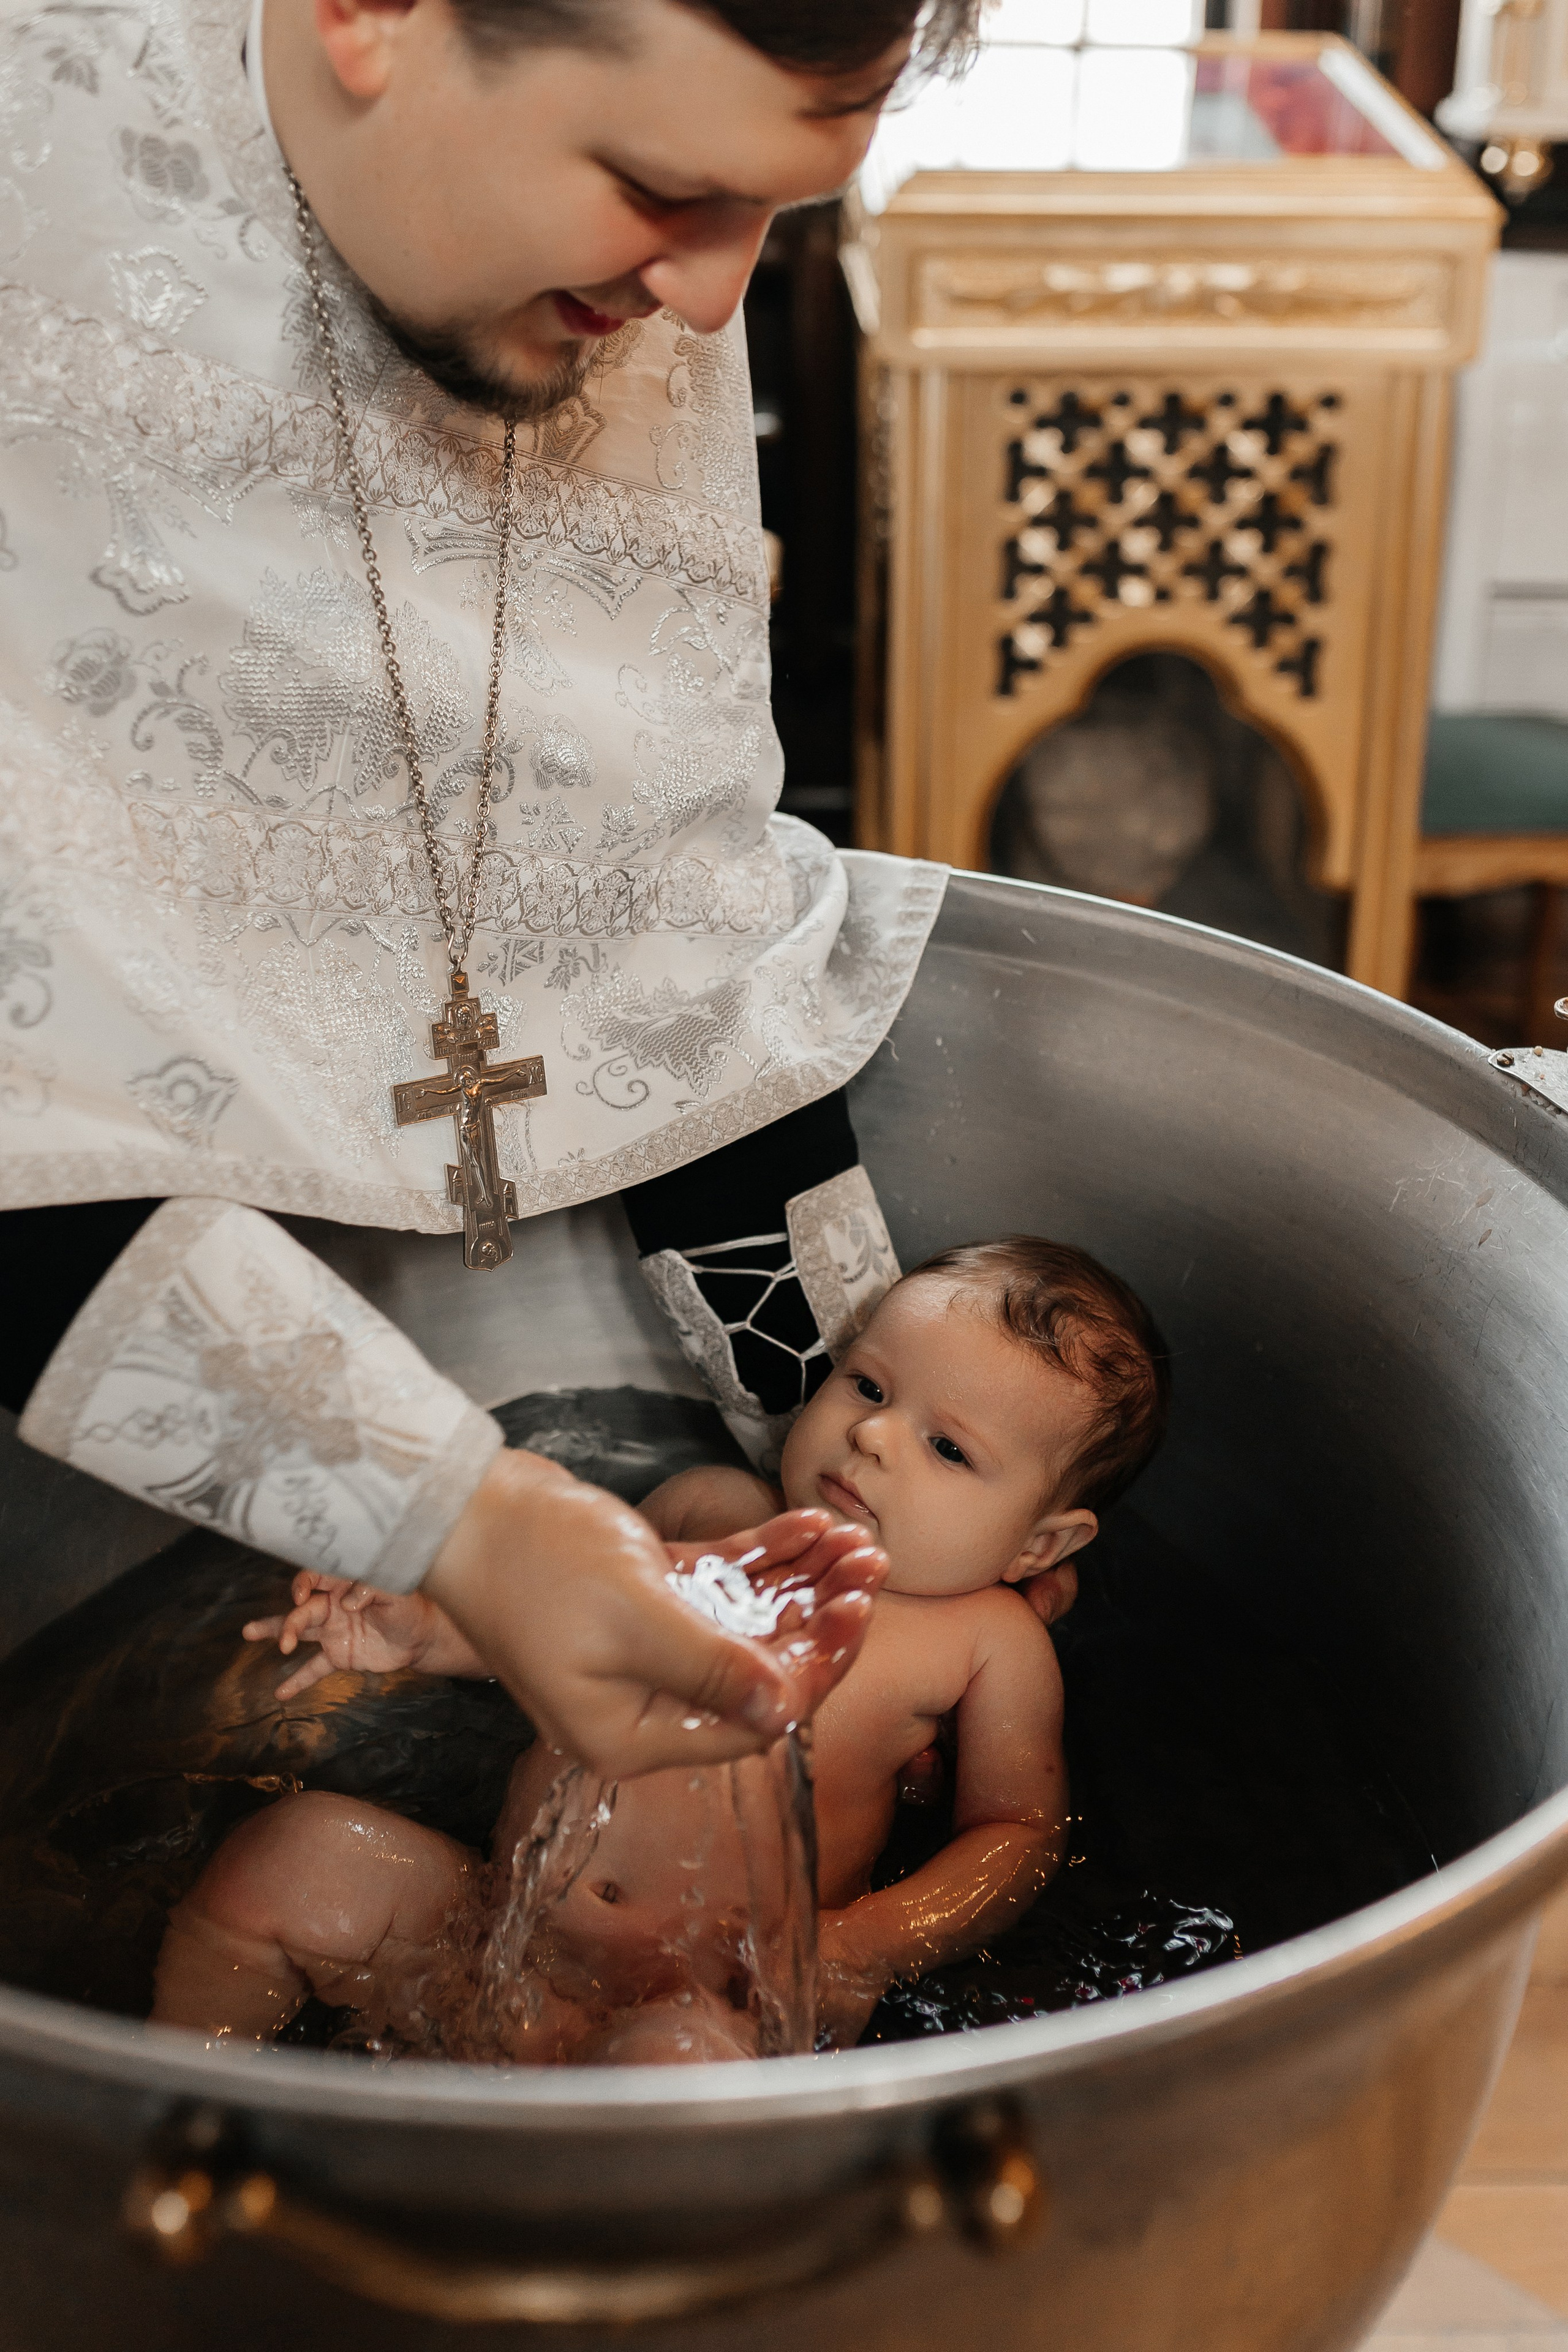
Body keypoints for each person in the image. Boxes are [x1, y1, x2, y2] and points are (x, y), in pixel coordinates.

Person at [0, 0, 981, 1765]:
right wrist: (458, 1518)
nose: (707, 301)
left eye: (777, 212)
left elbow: (649, 903)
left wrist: (861, 1480)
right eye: (667, 187)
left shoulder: (611, 281)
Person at [151, 1237, 1170, 2057]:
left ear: (1042, 1542)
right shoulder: (709, 1511)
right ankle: (186, 2099)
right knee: (290, 1859)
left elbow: (1020, 1833)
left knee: (683, 2076)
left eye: (949, 1449)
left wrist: (865, 1945)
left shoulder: (983, 1643)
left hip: (707, 2006)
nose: (874, 1439)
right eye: (868, 1387)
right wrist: (425, 1628)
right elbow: (555, 1630)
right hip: (487, 1939)